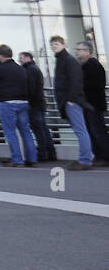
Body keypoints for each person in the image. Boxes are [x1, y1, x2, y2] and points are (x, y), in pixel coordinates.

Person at [0, 45, 36, 166]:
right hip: (23, 102)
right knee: (25, 131)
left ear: (0, 55)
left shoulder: (1, 69)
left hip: (8, 103)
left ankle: (17, 159)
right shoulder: (21, 68)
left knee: (10, 131)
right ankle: (32, 158)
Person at [50, 36, 94, 170]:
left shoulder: (68, 60)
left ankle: (85, 160)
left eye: (56, 44)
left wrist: (71, 99)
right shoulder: (63, 60)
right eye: (52, 44)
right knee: (80, 130)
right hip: (69, 101)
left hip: (72, 101)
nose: (54, 46)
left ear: (64, 45)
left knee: (80, 131)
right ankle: (86, 157)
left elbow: (76, 81)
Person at [75, 41, 109, 163]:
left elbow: (95, 85)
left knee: (97, 131)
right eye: (77, 49)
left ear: (88, 51)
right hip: (89, 104)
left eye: (79, 49)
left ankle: (104, 156)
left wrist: (79, 86)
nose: (77, 52)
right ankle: (99, 155)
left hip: (93, 104)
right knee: (92, 131)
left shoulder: (93, 65)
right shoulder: (84, 65)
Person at [19, 51, 56, 162]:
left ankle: (43, 153)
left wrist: (27, 99)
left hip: (33, 104)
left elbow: (31, 88)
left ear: (28, 58)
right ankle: (50, 152)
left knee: (38, 129)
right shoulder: (34, 69)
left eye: (21, 58)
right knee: (42, 128)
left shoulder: (30, 70)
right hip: (38, 103)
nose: (19, 59)